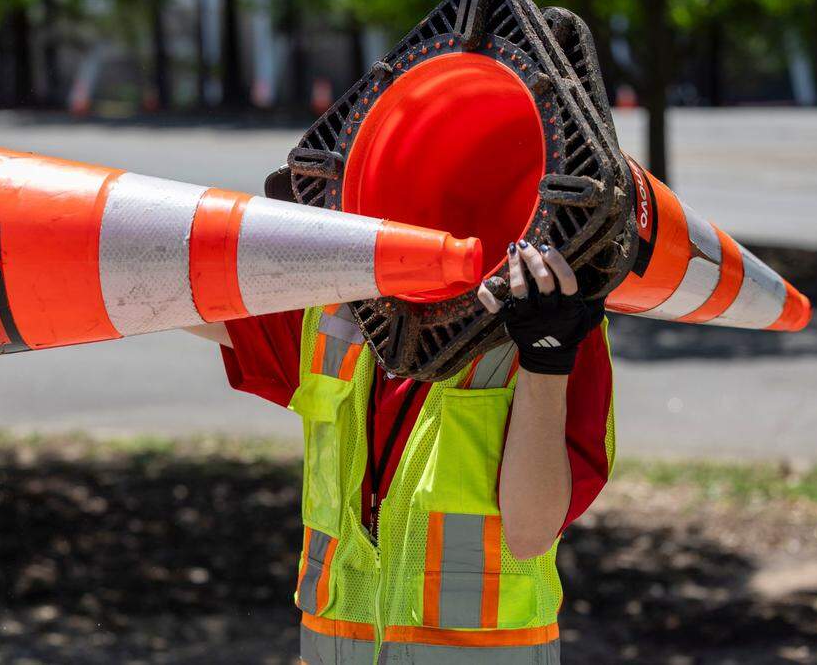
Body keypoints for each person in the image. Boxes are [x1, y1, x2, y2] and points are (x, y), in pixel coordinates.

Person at [187, 239, 614, 664]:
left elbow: (529, 534)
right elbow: (183, 294)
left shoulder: (557, 320)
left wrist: (547, 360)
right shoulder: (337, 311)